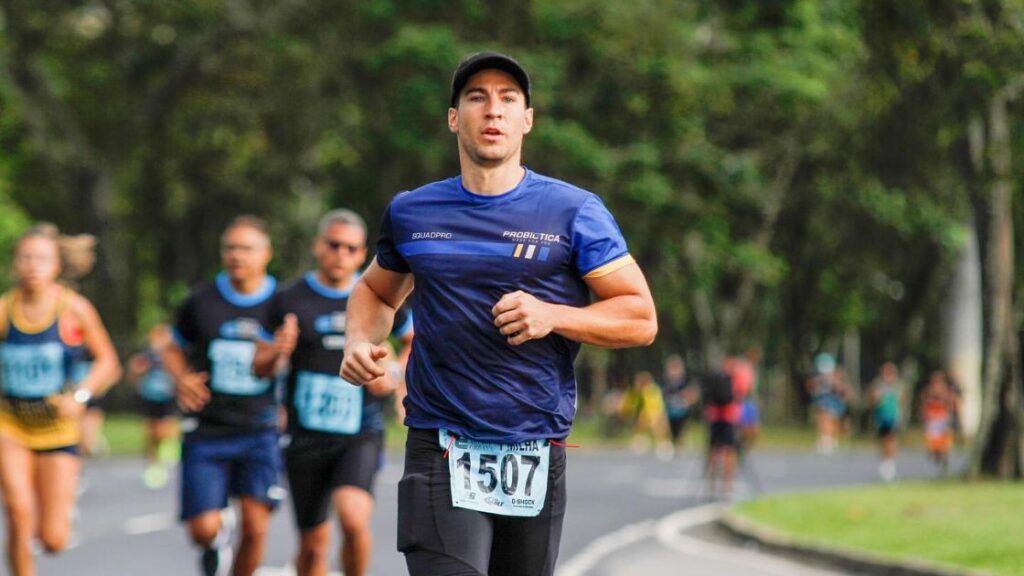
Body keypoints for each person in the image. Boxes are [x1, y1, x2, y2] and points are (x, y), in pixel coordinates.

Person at [340, 51, 658, 576]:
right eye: (477, 98)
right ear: (452, 118)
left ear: (527, 120)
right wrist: (358, 341)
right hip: (439, 444)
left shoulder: (573, 211)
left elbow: (640, 317)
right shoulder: (412, 212)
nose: (494, 111)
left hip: (534, 449)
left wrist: (554, 316)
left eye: (509, 99)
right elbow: (375, 292)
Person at [255, 209, 413, 576]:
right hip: (304, 435)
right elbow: (258, 367)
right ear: (318, 246)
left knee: (354, 519)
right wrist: (277, 350)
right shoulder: (287, 298)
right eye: (333, 245)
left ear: (362, 255)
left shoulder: (375, 294)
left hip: (359, 431)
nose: (341, 254)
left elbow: (412, 340)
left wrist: (393, 374)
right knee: (312, 551)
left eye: (351, 248)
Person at [164, 216, 285, 576]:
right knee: (202, 530)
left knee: (256, 527)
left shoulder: (282, 302)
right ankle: (215, 542)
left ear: (266, 253)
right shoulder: (200, 301)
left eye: (246, 248)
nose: (236, 255)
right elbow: (171, 347)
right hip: (207, 429)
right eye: (230, 247)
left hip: (259, 429)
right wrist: (182, 378)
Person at [0, 224, 122, 575]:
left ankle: (63, 506)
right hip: (12, 426)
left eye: (41, 258)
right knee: (18, 514)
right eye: (25, 258)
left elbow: (108, 362)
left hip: (58, 430)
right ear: (15, 264)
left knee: (52, 539)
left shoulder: (74, 309)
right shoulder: (6, 309)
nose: (32, 265)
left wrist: (80, 396)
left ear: (57, 265)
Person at [128, 323, 179, 489]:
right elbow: (135, 369)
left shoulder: (172, 354)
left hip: (167, 395)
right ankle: (153, 463)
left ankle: (168, 448)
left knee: (166, 425)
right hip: (150, 395)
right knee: (151, 429)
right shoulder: (147, 354)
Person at [702, 357, 752, 500]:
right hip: (729, 417)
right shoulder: (736, 377)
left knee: (714, 450)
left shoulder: (715, 377)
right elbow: (742, 393)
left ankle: (712, 484)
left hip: (715, 417)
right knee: (729, 451)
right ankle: (726, 486)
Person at [620, 370, 672, 459]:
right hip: (641, 416)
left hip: (653, 415)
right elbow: (627, 406)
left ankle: (663, 444)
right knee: (641, 419)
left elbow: (656, 407)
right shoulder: (634, 392)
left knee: (656, 420)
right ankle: (641, 440)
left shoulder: (653, 391)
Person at [867, 362, 904, 482]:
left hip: (893, 417)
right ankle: (886, 460)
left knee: (891, 439)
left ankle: (890, 463)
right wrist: (876, 399)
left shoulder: (898, 386)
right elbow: (871, 401)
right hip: (881, 418)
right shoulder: (878, 386)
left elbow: (902, 401)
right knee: (883, 440)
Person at [805, 353, 849, 454]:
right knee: (823, 417)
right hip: (823, 401)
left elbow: (844, 392)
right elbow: (810, 388)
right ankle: (825, 439)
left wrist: (835, 382)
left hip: (835, 402)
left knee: (834, 421)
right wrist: (818, 381)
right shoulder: (817, 378)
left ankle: (832, 440)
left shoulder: (836, 377)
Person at [921, 370, 957, 475]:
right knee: (933, 446)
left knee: (945, 444)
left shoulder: (946, 391)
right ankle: (937, 461)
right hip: (932, 420)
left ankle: (945, 463)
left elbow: (951, 404)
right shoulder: (928, 391)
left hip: (942, 419)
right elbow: (924, 404)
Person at [661, 354, 699, 456]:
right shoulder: (665, 381)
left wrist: (686, 400)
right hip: (670, 411)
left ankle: (680, 446)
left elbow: (693, 393)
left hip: (683, 410)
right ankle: (670, 444)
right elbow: (662, 395)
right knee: (668, 427)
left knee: (681, 430)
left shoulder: (686, 380)